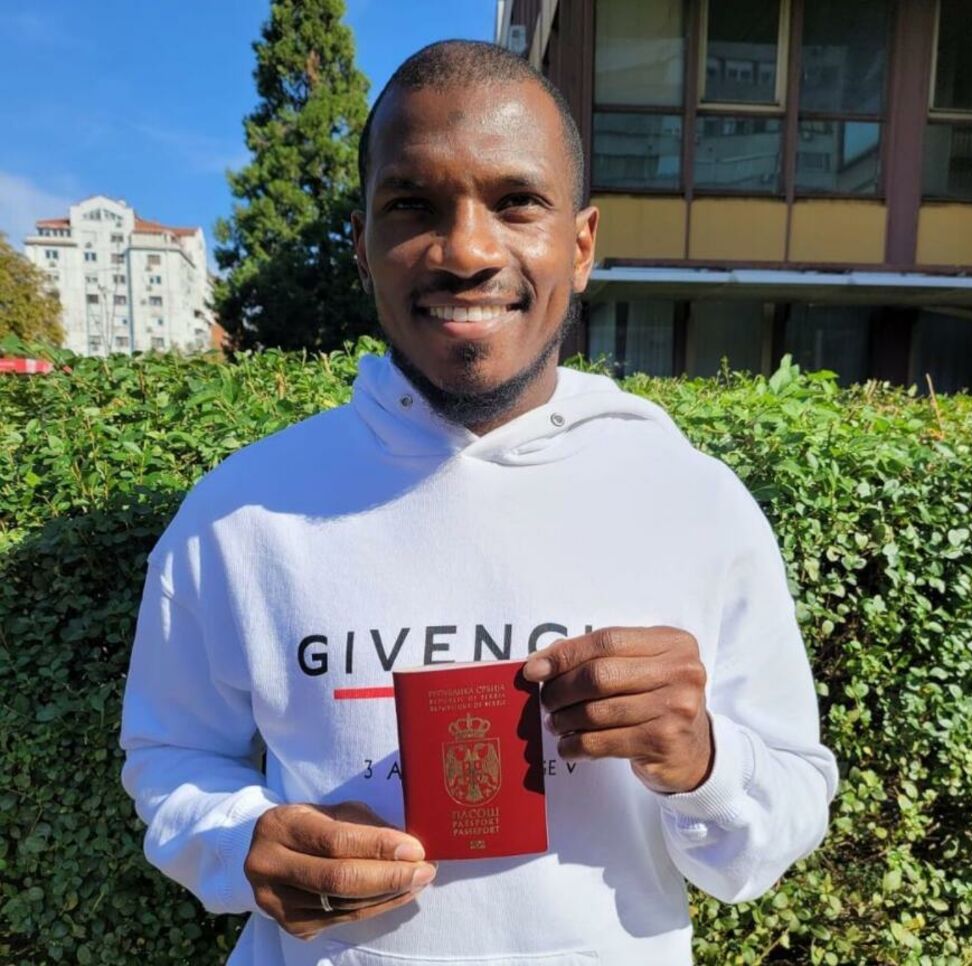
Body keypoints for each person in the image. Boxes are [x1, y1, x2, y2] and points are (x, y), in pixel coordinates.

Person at [120, 40, 838, 966]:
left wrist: (703, 760)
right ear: (362, 245)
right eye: (412, 205)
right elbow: (171, 758)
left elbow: (787, 809)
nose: (466, 250)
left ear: (581, 245)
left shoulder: (694, 502)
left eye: (517, 202)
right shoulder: (241, 512)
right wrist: (239, 844)